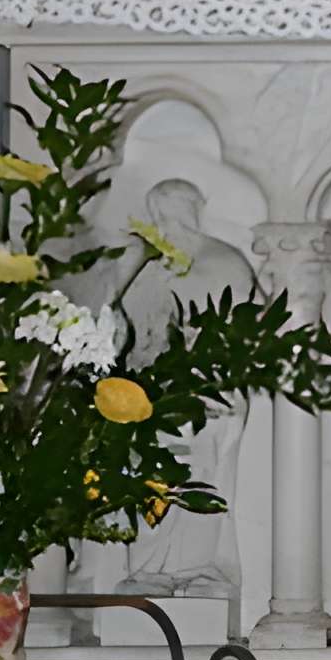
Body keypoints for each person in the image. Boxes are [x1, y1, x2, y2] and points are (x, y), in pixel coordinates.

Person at [112, 180, 253, 595]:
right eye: (162, 214)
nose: (169, 222)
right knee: (150, 470)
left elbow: (240, 326)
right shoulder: (147, 266)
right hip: (150, 396)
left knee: (202, 472)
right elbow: (124, 326)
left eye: (177, 212)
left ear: (197, 209)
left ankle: (198, 568)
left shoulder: (224, 260)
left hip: (211, 394)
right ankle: (148, 568)